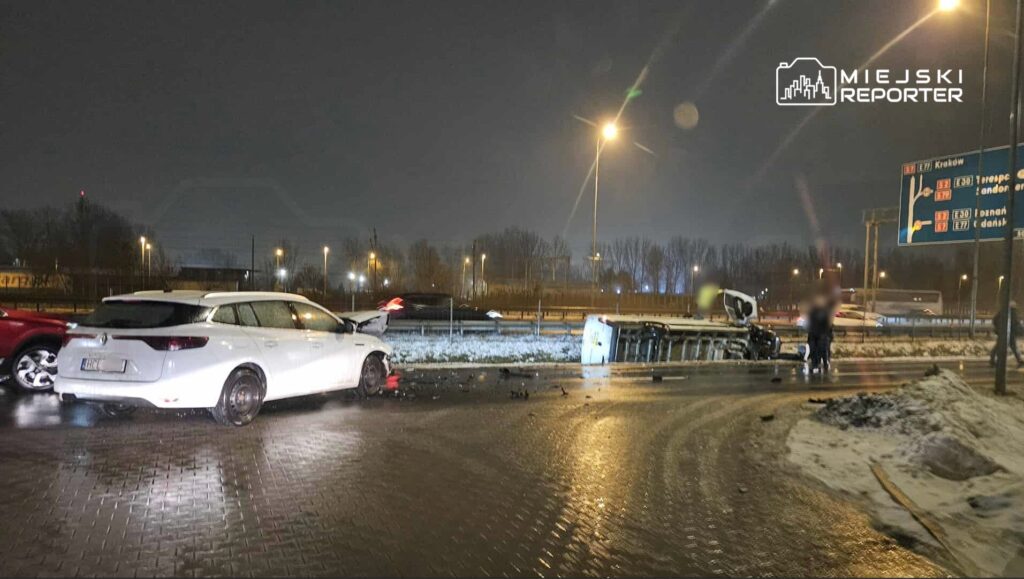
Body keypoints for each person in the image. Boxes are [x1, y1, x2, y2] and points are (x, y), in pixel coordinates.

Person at [990, 300, 1023, 367]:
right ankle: (1019, 360)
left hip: (1003, 332)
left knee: (998, 346)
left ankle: (992, 359)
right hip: (1010, 333)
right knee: (1013, 347)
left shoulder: (1002, 312)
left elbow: (994, 320)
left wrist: (998, 328)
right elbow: (1016, 323)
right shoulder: (1013, 313)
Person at [805, 295, 834, 373]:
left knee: (823, 350)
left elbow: (827, 325)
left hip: (821, 335)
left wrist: (828, 335)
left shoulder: (824, 312)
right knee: (814, 350)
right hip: (814, 335)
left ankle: (825, 364)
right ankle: (815, 365)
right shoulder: (813, 312)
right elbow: (811, 324)